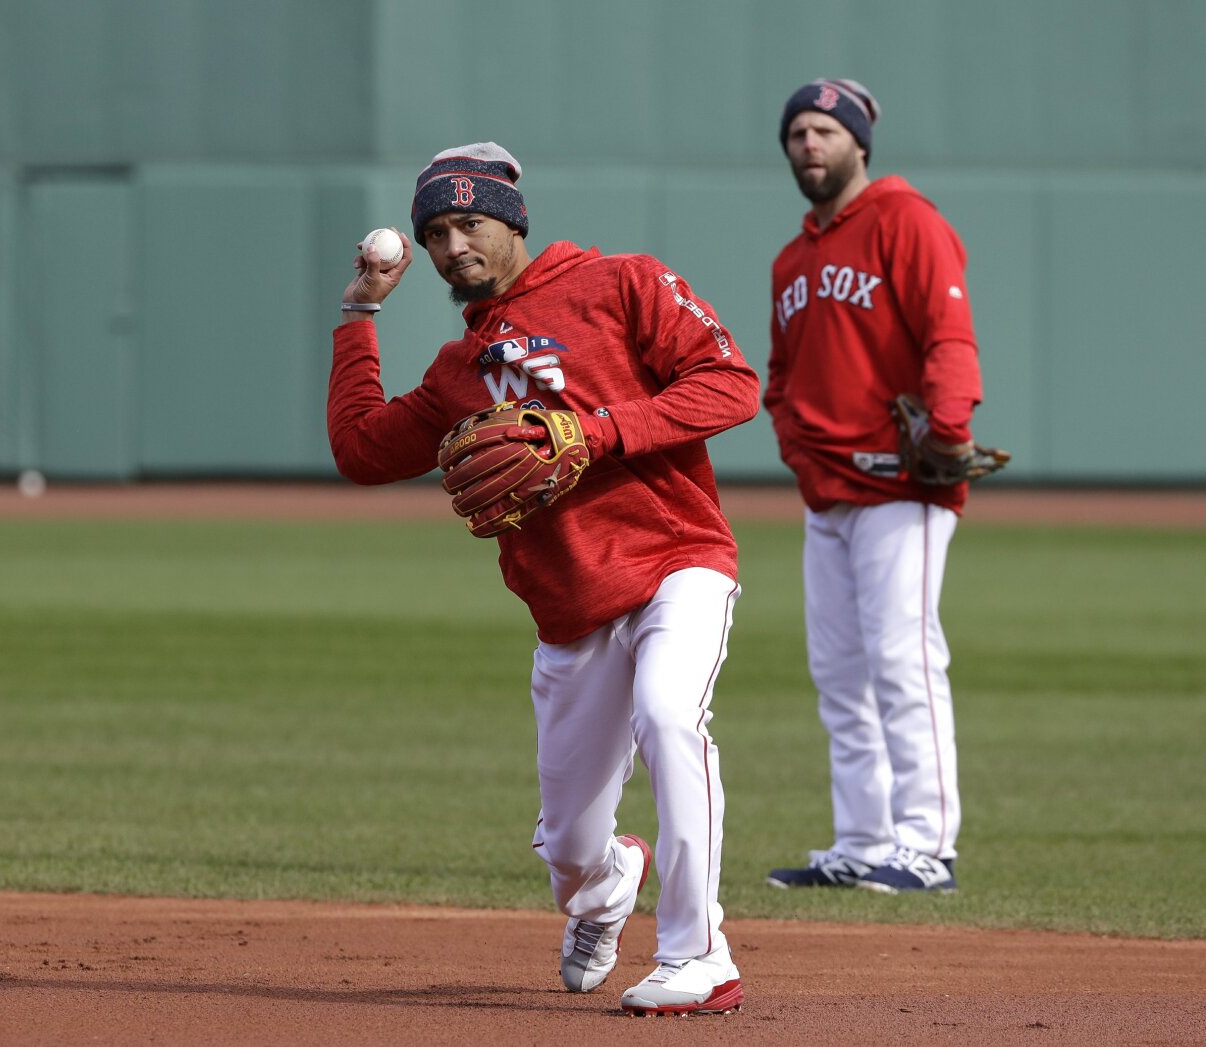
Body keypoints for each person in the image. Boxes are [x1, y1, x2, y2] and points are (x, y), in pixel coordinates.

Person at [328, 143, 761, 1015]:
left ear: (513, 221)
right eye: (436, 232)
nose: (453, 246)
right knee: (569, 847)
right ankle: (607, 886)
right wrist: (357, 312)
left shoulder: (621, 284)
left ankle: (698, 952)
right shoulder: (458, 374)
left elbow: (732, 384)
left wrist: (597, 431)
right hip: (569, 611)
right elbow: (361, 449)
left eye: (470, 223)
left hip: (678, 558)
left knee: (673, 714)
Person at [763, 80, 987, 893]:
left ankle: (927, 845)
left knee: (904, 660)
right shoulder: (793, 259)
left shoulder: (908, 222)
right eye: (797, 133)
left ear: (860, 142)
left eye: (825, 130)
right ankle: (862, 838)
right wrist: (797, 451)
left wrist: (950, 429)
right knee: (840, 672)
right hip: (828, 495)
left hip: (902, 490)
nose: (809, 145)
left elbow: (948, 338)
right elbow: (781, 378)